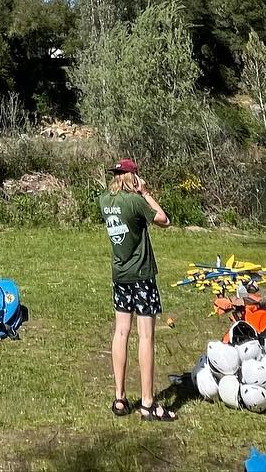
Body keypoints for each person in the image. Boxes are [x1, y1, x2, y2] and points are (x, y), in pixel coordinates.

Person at [99, 158, 175, 420]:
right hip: (141, 274)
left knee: (121, 332)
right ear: (133, 177)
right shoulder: (135, 201)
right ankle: (147, 403)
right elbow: (164, 219)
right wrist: (145, 192)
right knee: (145, 336)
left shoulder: (105, 201)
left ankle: (119, 398)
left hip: (120, 275)